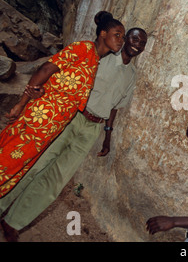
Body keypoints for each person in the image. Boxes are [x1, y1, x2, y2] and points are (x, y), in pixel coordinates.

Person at [0, 28, 147, 242]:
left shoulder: (131, 76)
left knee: (57, 178)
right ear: (124, 39)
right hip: (71, 118)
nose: (137, 44)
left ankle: (13, 222)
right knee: (36, 164)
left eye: (142, 42)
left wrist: (107, 134)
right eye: (134, 38)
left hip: (92, 129)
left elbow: (115, 108)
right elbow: (65, 77)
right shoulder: (102, 58)